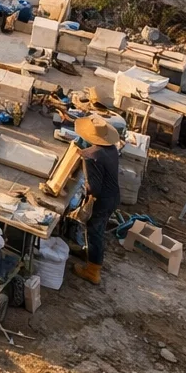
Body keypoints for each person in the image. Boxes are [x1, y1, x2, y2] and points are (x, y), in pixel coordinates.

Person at [71, 114, 121, 284]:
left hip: (101, 200)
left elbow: (93, 187)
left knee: (95, 232)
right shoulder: (112, 149)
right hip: (114, 196)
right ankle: (88, 253)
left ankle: (93, 271)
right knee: (96, 230)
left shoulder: (91, 156)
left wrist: (84, 187)